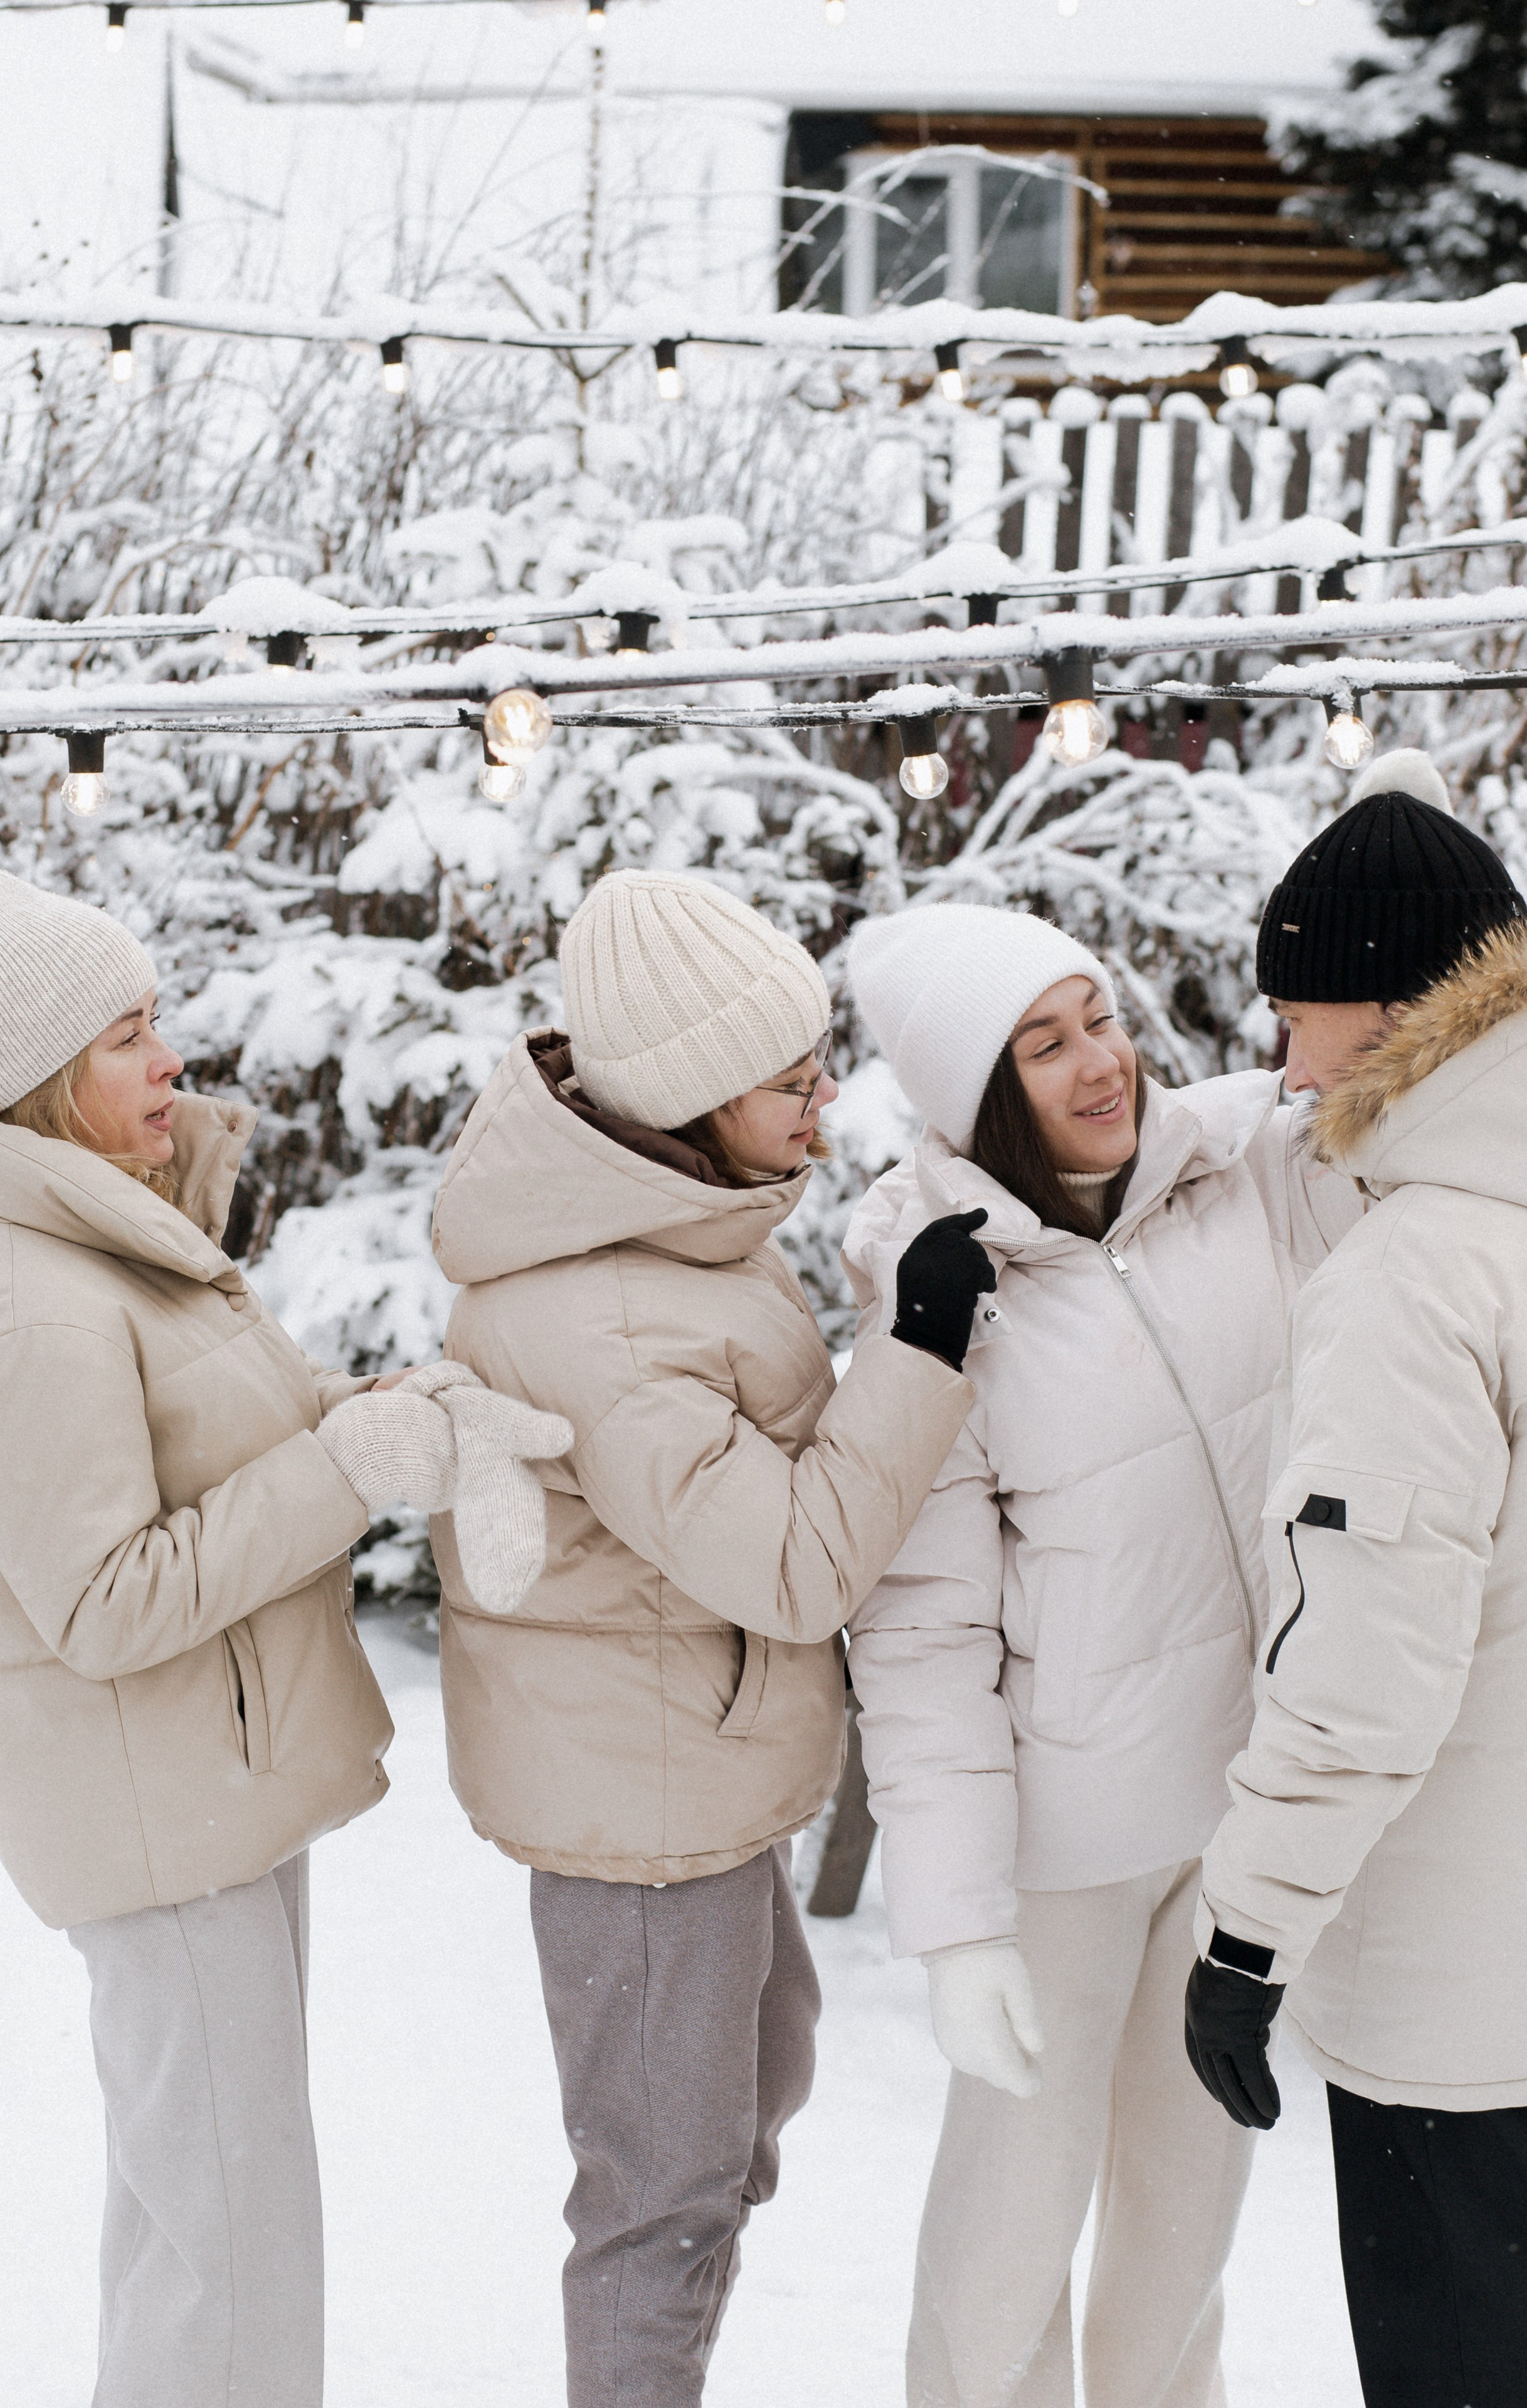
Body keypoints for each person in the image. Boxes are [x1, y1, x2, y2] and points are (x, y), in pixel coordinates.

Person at [0, 861, 568, 2408]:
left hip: (197, 1797)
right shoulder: (33, 1310)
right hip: (155, 1823)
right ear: (38, 1081)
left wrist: (384, 1419)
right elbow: (105, 1601)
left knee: (190, 2218)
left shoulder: (116, 1255)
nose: (171, 1062)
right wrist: (345, 1470)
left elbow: (230, 1457)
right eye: (128, 1036)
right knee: (231, 2238)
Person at [428, 868, 989, 2408]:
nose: (823, 1096)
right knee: (657, 2205)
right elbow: (796, 1564)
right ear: (683, 1099)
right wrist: (919, 1348)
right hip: (642, 1817)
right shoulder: (609, 1319)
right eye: (787, 1074)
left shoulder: (661, 1229)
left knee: (737, 2118)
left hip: (686, 1774)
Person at [841, 896, 1363, 2408]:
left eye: (1100, 1018)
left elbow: (1367, 1070)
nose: (1099, 1065)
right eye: (1043, 1043)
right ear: (976, 1092)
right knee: (1005, 2250)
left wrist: (1416, 920)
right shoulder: (936, 1292)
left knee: (1184, 2234)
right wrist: (955, 1929)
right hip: (1060, 1853)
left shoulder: (1226, 1168)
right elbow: (920, 1633)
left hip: (1237, 1818)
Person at [1185, 755, 1527, 2408]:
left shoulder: (1416, 1273)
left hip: (1463, 2008)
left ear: (1393, 1015)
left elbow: (1368, 1669)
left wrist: (1247, 1939)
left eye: (1299, 1011)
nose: (1282, 1052)